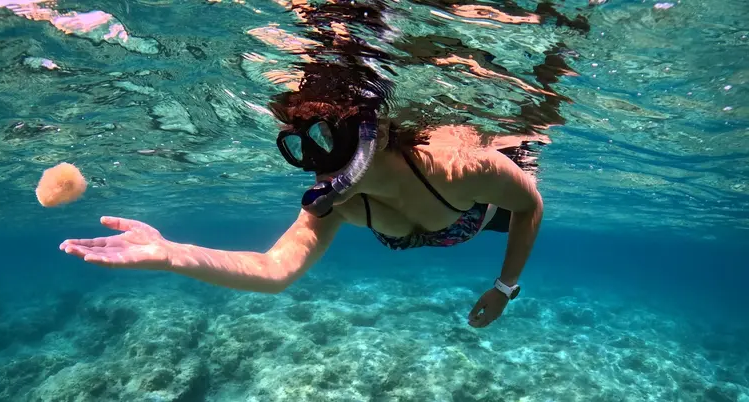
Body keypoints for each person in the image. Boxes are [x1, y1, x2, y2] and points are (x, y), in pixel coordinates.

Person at [60, 0, 558, 328]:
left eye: (330, 139)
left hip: (479, 213)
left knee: (542, 103)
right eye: (301, 147)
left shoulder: (462, 168)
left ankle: (561, 34)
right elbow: (275, 270)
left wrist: (504, 287)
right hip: (435, 218)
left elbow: (529, 206)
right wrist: (172, 254)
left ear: (376, 130)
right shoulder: (335, 205)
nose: (319, 164)